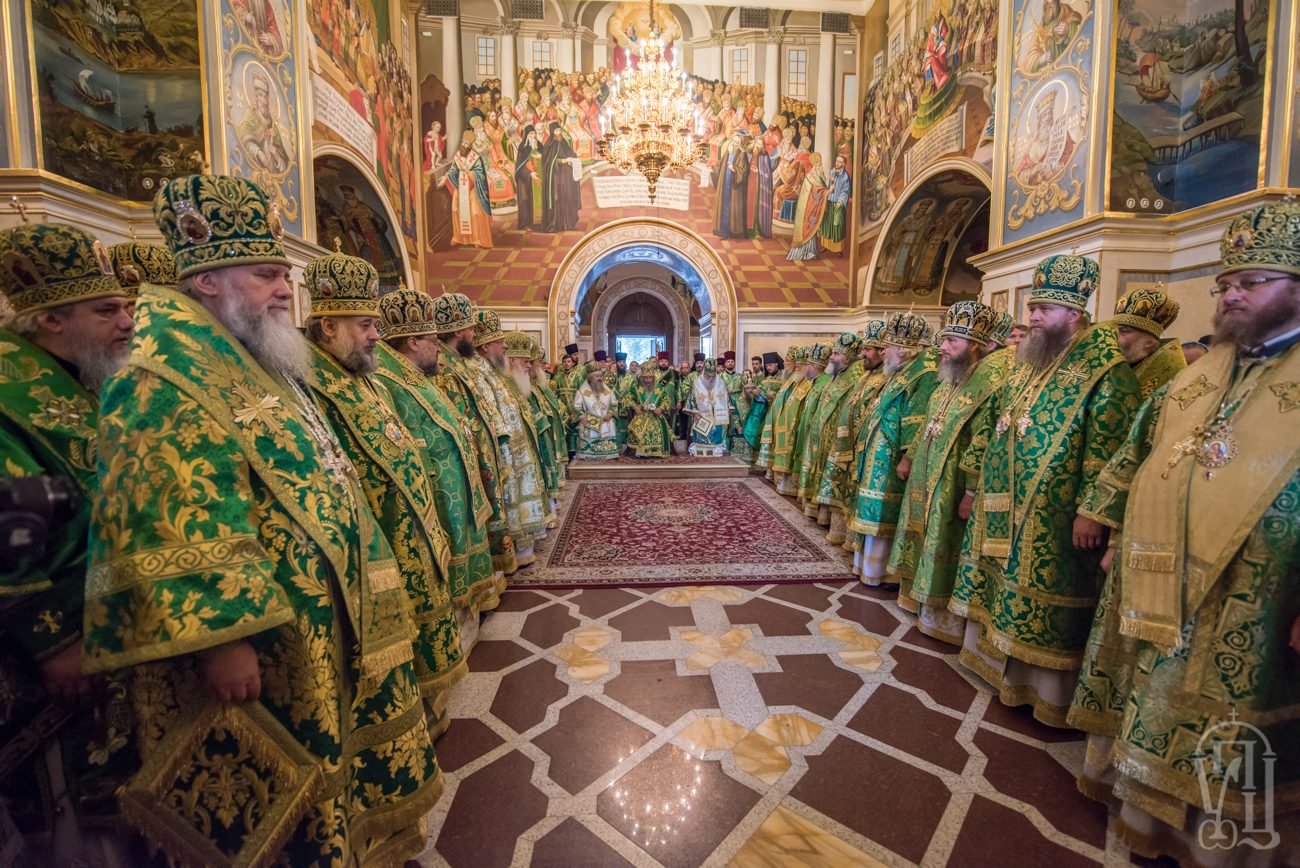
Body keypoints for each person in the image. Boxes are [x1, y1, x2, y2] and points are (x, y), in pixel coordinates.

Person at [86, 174, 440, 864]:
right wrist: (223, 638)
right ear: (209, 280)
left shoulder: (250, 355)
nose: (285, 290)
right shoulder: (162, 373)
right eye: (266, 274)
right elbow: (169, 511)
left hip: (309, 625)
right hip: (260, 642)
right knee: (265, 806)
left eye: (284, 274)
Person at [1082, 201, 1300, 861]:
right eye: (1224, 285)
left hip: (1260, 599)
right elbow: (1140, 449)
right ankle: (1147, 821)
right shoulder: (1201, 375)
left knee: (1228, 727)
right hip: (1162, 579)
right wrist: (1110, 519)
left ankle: (1217, 846)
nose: (1232, 294)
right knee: (1157, 698)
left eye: (1251, 281)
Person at [951, 254, 1141, 727]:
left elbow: (1112, 448)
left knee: (1044, 589)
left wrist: (1094, 513)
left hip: (1055, 515)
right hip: (1003, 502)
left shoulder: (1107, 370)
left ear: (1074, 314)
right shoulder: (1028, 362)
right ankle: (994, 665)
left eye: (1045, 308)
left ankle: (1042, 690)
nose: (1033, 316)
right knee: (1001, 585)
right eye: (1033, 306)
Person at [0, 225, 139, 865]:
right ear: (51, 318)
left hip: (116, 622)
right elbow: (9, 529)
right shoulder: (11, 395)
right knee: (62, 816)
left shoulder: (87, 374)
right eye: (107, 310)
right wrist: (54, 640)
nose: (128, 321)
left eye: (127, 307)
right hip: (56, 643)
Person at [301, 253, 464, 735]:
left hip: (406, 529)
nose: (376, 335)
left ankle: (423, 705)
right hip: (371, 544)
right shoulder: (312, 381)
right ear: (329, 326)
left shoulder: (361, 373)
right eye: (366, 324)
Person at [376, 287, 503, 646]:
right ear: (414, 342)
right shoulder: (391, 379)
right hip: (437, 488)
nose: (438, 348)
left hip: (455, 482)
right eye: (432, 340)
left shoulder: (415, 374)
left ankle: (468, 612)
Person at [889, 302, 1007, 645]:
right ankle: (918, 597)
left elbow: (984, 439)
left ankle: (941, 615)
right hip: (927, 475)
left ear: (974, 345)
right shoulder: (944, 382)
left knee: (946, 541)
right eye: (943, 340)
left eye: (951, 341)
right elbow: (928, 424)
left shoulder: (990, 383)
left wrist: (971, 490)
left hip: (954, 483)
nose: (942, 347)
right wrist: (910, 457)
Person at [847, 313, 938, 584]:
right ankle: (869, 567)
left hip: (891, 459)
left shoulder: (923, 374)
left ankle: (883, 571)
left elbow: (916, 419)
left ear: (905, 350)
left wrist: (908, 457)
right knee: (873, 509)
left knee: (884, 511)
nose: (884, 350)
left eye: (890, 346)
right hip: (879, 455)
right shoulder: (900, 371)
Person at [432, 290, 517, 576]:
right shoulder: (443, 366)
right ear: (458, 330)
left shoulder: (459, 362)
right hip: (468, 453)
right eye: (470, 328)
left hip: (482, 450)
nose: (473, 333)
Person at [469, 310, 554, 564]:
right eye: (499, 342)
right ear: (485, 347)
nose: (504, 345)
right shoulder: (481, 374)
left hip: (518, 450)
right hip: (505, 453)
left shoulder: (498, 375)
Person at [818, 324, 889, 545]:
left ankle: (851, 539)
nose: (863, 354)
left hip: (860, 447)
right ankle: (844, 535)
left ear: (882, 351)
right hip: (848, 444)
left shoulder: (882, 377)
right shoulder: (866, 374)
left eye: (868, 349)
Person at [795, 333, 864, 523]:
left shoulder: (854, 377)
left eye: (836, 354)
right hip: (822, 436)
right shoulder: (836, 375)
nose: (831, 357)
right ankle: (819, 511)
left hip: (838, 438)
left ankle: (829, 518)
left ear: (848, 358)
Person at [768, 345, 828, 494]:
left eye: (800, 366)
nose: (786, 364)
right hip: (788, 424)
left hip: (797, 426)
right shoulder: (796, 379)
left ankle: (792, 486)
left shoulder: (809, 381)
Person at [1110, 286, 1185, 397]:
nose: (1112, 337)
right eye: (1113, 330)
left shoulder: (1170, 379)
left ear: (1148, 342)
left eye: (1123, 331)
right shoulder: (1124, 363)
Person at [445, 131, 494, 248]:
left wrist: (467, 171)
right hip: (460, 187)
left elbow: (480, 174)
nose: (464, 145)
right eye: (463, 142)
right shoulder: (458, 155)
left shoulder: (475, 158)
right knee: (455, 209)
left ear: (471, 145)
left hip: (473, 189)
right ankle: (459, 237)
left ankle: (477, 239)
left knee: (475, 212)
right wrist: (450, 174)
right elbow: (453, 170)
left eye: (467, 144)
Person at [622, 366, 674, 458]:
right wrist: (635, 406)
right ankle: (642, 453)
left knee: (658, 429)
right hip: (641, 415)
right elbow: (627, 399)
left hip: (656, 416)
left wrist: (661, 408)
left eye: (650, 377)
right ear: (641, 377)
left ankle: (657, 452)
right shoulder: (636, 387)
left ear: (653, 377)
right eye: (645, 378)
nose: (648, 380)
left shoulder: (659, 387)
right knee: (642, 429)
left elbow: (666, 400)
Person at [685, 359, 732, 456]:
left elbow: (727, 398)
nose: (711, 379)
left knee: (716, 436)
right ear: (704, 373)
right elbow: (691, 400)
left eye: (713, 376)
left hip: (716, 416)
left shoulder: (721, 382)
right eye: (708, 376)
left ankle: (716, 450)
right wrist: (694, 412)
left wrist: (728, 408)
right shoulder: (696, 383)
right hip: (701, 416)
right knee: (701, 437)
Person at [572, 363, 619, 459]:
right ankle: (588, 454)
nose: (600, 378)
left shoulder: (607, 391)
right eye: (597, 376)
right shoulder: (582, 392)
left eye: (601, 376)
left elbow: (614, 404)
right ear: (590, 378)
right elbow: (576, 407)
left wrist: (610, 414)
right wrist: (582, 417)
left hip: (605, 421)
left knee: (610, 424)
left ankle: (608, 453)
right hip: (590, 423)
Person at [741, 351, 783, 455]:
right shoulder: (766, 380)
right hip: (766, 414)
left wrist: (772, 395)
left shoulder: (784, 378)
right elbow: (761, 396)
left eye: (770, 365)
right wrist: (756, 394)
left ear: (776, 364)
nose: (768, 368)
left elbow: (787, 396)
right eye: (767, 365)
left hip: (779, 414)